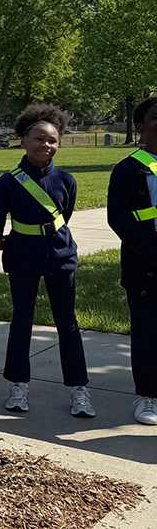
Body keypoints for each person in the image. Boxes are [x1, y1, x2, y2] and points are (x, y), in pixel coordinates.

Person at [0, 104, 92, 417]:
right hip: (22, 258)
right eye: (39, 138)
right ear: (23, 140)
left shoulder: (67, 180)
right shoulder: (7, 183)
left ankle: (78, 390)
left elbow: (62, 217)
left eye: (53, 140)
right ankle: (19, 386)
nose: (47, 145)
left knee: (68, 325)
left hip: (61, 258)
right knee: (22, 322)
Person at [106, 96, 157, 425]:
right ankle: (149, 397)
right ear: (140, 127)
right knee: (147, 334)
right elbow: (119, 219)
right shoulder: (128, 169)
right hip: (146, 266)